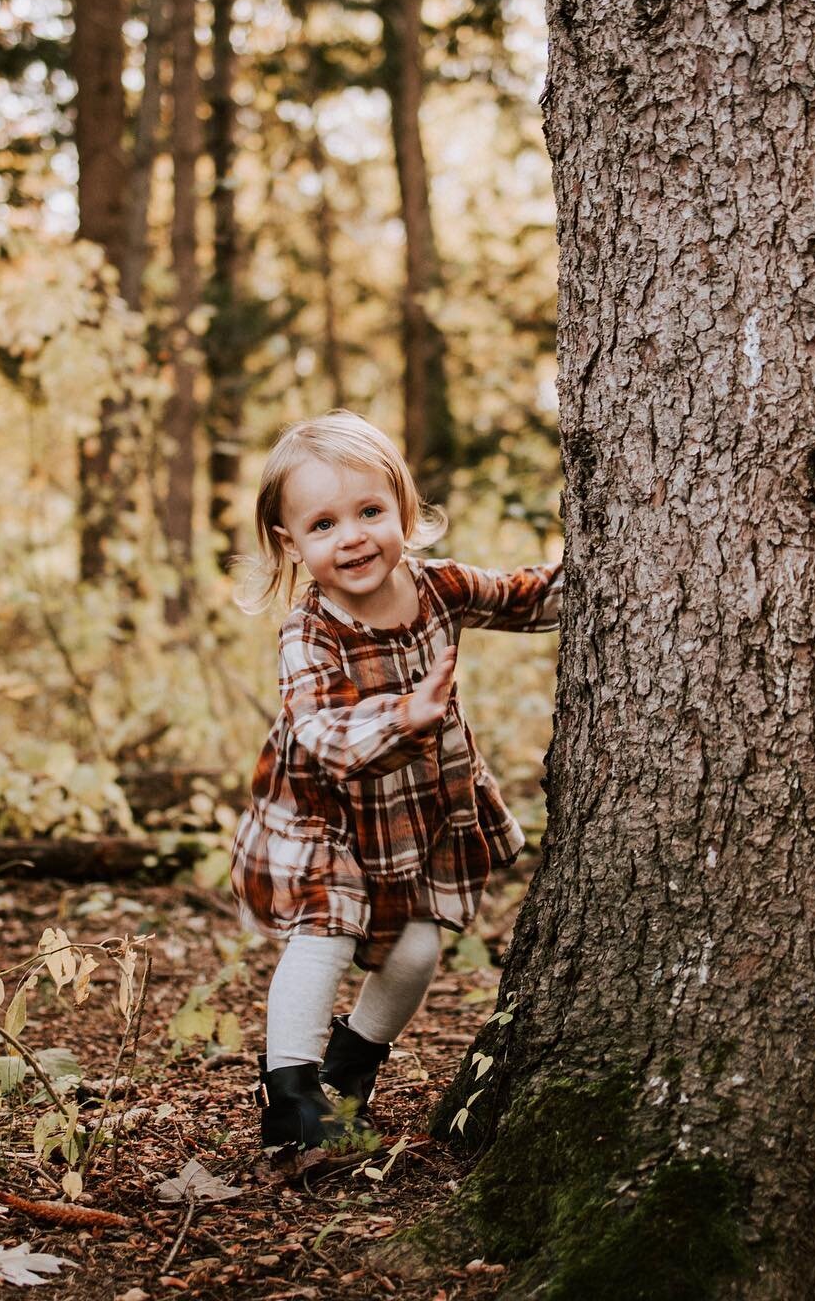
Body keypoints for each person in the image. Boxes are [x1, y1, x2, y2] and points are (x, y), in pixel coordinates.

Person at [231, 410, 562, 1153]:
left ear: (403, 512)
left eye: (370, 512)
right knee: (324, 937)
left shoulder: (437, 588)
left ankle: (352, 1067)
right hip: (325, 817)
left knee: (415, 955)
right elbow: (319, 734)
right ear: (292, 543)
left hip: (417, 816)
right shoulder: (309, 630)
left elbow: (523, 595)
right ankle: (288, 1093)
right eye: (323, 524)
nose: (351, 537)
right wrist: (403, 714)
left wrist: (615, 566)